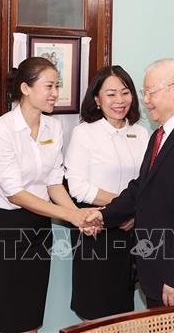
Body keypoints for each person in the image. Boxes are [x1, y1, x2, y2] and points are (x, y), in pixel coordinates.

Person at [85, 58, 174, 316]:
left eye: (150, 92)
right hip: (157, 269)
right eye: (144, 93)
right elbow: (141, 188)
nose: (145, 100)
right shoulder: (160, 136)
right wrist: (103, 216)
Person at [0, 56, 97, 332]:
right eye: (49, 86)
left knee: (30, 316)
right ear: (25, 88)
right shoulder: (2, 130)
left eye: (57, 86)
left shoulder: (53, 127)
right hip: (5, 229)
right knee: (1, 318)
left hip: (39, 229)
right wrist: (70, 215)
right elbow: (15, 194)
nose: (55, 93)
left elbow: (54, 183)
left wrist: (79, 216)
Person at [65, 65, 149, 319]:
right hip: (95, 228)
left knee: (123, 311)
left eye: (125, 92)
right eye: (111, 94)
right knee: (95, 310)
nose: (119, 100)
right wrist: (123, 207)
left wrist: (133, 213)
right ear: (97, 99)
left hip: (131, 230)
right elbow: (78, 187)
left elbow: (148, 183)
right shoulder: (84, 133)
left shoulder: (141, 133)